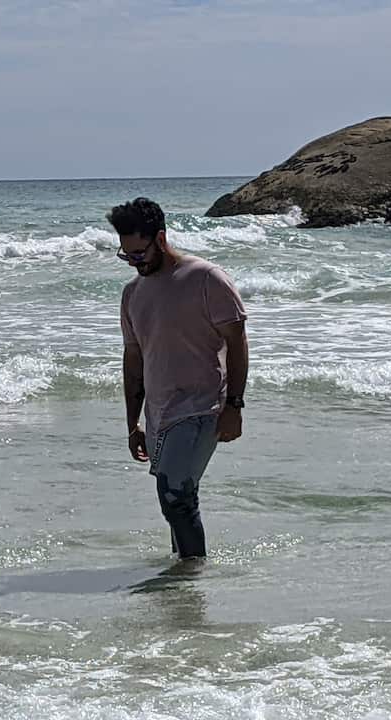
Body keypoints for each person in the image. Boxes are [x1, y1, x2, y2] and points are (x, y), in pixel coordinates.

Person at [110, 197, 249, 561]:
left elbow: (237, 341)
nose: (134, 263)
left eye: (139, 253)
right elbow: (134, 360)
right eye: (126, 256)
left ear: (160, 238)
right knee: (179, 499)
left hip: (203, 407)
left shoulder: (206, 278)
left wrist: (234, 405)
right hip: (160, 412)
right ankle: (184, 581)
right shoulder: (132, 294)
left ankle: (189, 580)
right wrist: (132, 424)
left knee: (175, 496)